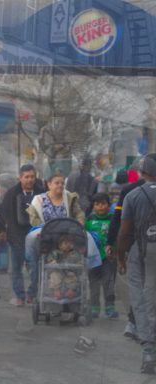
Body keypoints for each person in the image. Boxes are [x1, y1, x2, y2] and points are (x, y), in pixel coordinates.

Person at [118, 153, 156, 374]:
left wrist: (121, 256)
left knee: (141, 298)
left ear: (142, 173)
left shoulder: (132, 196)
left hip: (141, 253)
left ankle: (149, 350)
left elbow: (124, 232)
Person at [26, 172, 85, 301]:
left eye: (62, 183)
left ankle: (73, 289)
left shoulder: (69, 197)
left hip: (67, 237)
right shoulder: (38, 200)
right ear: (49, 184)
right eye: (57, 183)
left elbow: (79, 213)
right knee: (31, 241)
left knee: (88, 242)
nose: (60, 185)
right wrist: (42, 228)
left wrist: (79, 225)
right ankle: (36, 288)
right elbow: (33, 218)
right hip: (46, 236)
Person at [0, 164, 44, 306]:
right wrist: (2, 230)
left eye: (32, 177)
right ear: (20, 178)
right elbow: (1, 213)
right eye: (27, 177)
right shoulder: (12, 193)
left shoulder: (41, 193)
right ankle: (20, 296)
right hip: (16, 235)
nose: (30, 180)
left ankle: (32, 294)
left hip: (35, 235)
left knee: (35, 267)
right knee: (16, 267)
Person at [106, 175, 144, 339]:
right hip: (139, 247)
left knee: (138, 287)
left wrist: (112, 244)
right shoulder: (129, 190)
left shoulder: (130, 191)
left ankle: (134, 323)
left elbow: (119, 221)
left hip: (135, 246)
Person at [85, 193, 118, 319]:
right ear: (93, 206)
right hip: (93, 258)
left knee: (108, 283)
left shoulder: (113, 220)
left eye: (103, 204)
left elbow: (118, 237)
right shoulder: (89, 220)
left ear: (108, 205)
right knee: (93, 284)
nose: (100, 207)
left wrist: (117, 252)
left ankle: (110, 308)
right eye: (97, 204)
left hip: (109, 258)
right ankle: (95, 308)